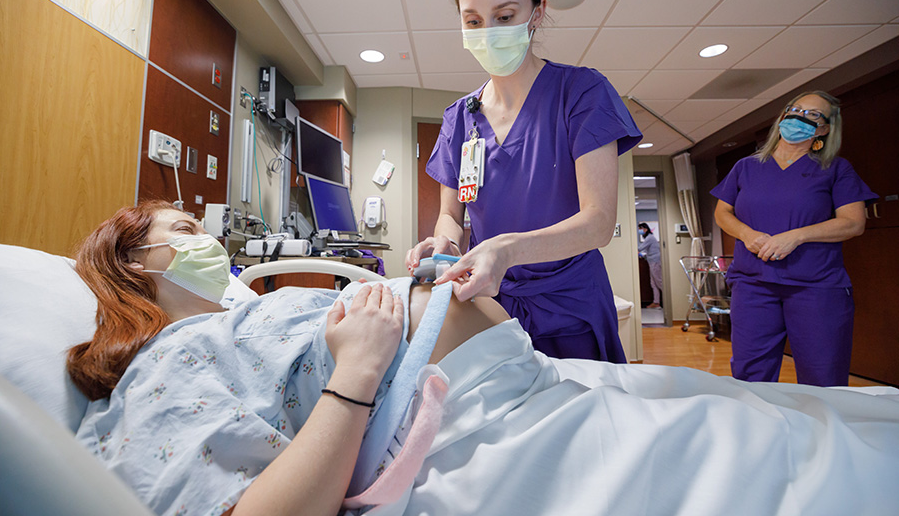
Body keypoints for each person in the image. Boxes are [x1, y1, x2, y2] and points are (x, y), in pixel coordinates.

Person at [67, 201, 899, 516]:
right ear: (136, 265)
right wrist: (356, 373)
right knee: (799, 457)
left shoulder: (250, 312)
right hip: (479, 428)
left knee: (800, 411)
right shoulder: (165, 366)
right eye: (183, 232)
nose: (208, 238)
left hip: (526, 384)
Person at [406, 0, 642, 362]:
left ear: (538, 11)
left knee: (576, 422)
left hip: (570, 308)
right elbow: (450, 215)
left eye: (505, 15)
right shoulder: (461, 118)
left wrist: (507, 250)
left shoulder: (581, 93)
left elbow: (598, 222)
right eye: (473, 21)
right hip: (490, 307)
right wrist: (445, 245)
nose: (488, 32)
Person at [712, 90, 877, 386]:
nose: (800, 117)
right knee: (750, 375)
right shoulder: (746, 167)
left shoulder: (836, 169)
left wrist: (796, 237)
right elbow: (723, 213)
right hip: (753, 284)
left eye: (813, 115)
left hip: (815, 286)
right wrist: (746, 234)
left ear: (824, 129)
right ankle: (759, 431)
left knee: (822, 375)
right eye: (795, 109)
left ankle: (822, 431)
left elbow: (853, 223)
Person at [637, 222, 663, 308]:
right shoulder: (649, 238)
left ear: (646, 229)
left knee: (659, 282)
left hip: (655, 262)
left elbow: (640, 248)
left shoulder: (650, 238)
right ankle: (656, 303)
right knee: (653, 283)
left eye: (641, 229)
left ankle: (669, 300)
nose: (640, 231)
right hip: (652, 261)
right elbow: (647, 251)